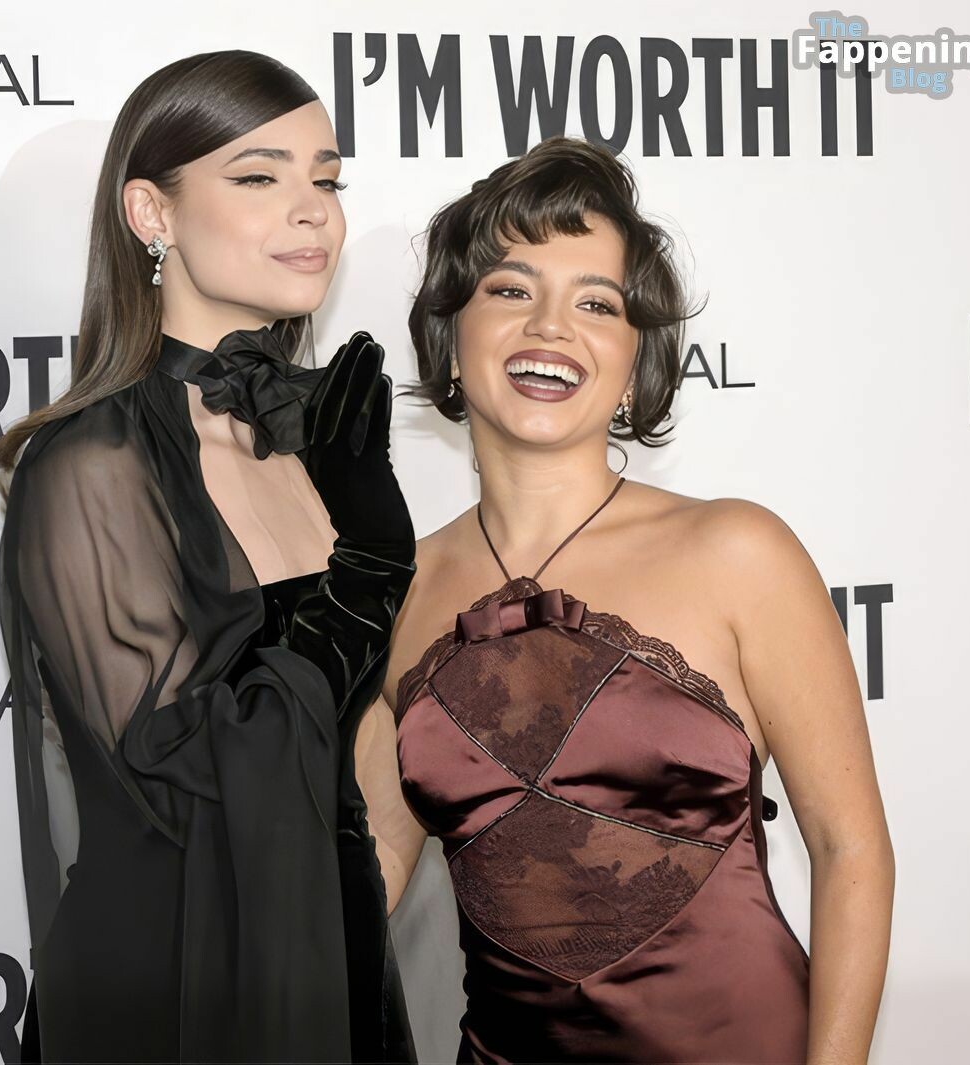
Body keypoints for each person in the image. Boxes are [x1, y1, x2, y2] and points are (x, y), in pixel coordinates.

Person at [367, 136, 893, 1062]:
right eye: (511, 289)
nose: (551, 327)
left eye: (596, 303)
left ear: (633, 361)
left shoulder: (739, 551)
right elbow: (372, 861)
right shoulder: (397, 590)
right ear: (449, 337)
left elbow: (850, 850)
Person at [0, 50, 416, 1064]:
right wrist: (365, 574)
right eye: (259, 177)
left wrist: (365, 889)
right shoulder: (90, 464)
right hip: (175, 990)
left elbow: (360, 740)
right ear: (152, 213)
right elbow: (183, 775)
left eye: (327, 180)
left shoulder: (313, 438)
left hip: (327, 961)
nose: (312, 211)